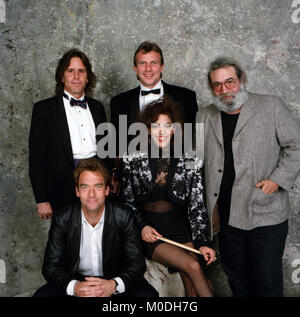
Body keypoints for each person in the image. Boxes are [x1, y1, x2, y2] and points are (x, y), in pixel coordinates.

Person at [196, 57, 300, 297]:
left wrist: (276, 180)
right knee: (238, 282)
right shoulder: (204, 115)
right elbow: (197, 162)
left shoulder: (271, 106)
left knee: (267, 283)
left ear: (241, 80)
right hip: (225, 216)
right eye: (217, 85)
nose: (224, 90)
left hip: (265, 213)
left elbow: (296, 144)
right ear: (211, 88)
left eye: (229, 81)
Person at [120, 97, 216, 297]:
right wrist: (141, 227)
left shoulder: (190, 159)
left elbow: (196, 205)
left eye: (167, 125)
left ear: (175, 129)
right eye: (156, 126)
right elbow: (127, 202)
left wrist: (202, 242)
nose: (161, 131)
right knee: (193, 266)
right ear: (147, 129)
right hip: (151, 231)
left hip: (180, 228)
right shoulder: (132, 158)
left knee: (194, 280)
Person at [33, 157, 158, 297]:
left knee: (148, 296)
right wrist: (76, 287)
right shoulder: (62, 218)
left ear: (106, 190)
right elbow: (50, 266)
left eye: (97, 186)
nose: (91, 194)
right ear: (77, 191)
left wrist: (113, 285)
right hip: (77, 280)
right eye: (85, 187)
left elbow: (137, 263)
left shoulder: (124, 215)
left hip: (113, 278)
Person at [29, 49, 106, 220]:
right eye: (70, 71)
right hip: (61, 187)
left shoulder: (98, 108)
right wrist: (41, 199)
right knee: (66, 240)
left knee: (97, 236)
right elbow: (36, 159)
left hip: (96, 183)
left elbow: (105, 149)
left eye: (81, 71)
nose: (76, 76)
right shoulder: (44, 110)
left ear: (88, 77)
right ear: (62, 76)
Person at [110, 41, 198, 162]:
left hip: (177, 172)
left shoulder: (186, 98)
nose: (148, 69)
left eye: (153, 63)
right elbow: (117, 146)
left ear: (162, 66)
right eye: (143, 63)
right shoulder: (119, 102)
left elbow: (193, 140)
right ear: (135, 68)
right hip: (136, 174)